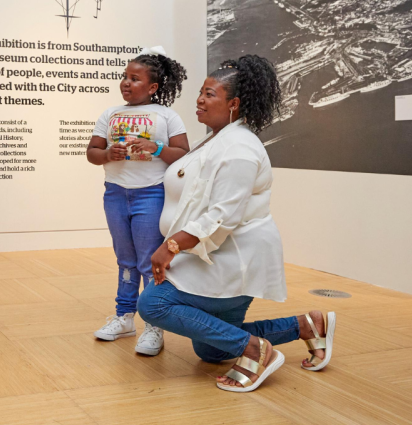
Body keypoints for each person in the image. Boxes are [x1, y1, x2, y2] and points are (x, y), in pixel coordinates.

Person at [137, 55, 336, 393]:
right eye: (201, 92)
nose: (200, 100)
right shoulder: (218, 138)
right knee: (212, 351)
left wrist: (171, 245)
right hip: (214, 255)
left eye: (209, 94)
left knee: (153, 304)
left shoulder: (240, 148)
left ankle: (255, 351)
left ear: (234, 104)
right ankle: (306, 325)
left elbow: (223, 215)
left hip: (233, 258)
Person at [86, 46, 190, 356]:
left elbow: (184, 154)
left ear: (153, 86)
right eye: (125, 77)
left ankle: (154, 325)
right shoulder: (110, 114)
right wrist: (108, 154)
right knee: (125, 260)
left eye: (135, 78)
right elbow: (92, 152)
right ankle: (124, 317)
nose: (126, 83)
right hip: (115, 194)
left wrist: (155, 148)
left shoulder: (167, 115)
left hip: (151, 194)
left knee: (149, 262)